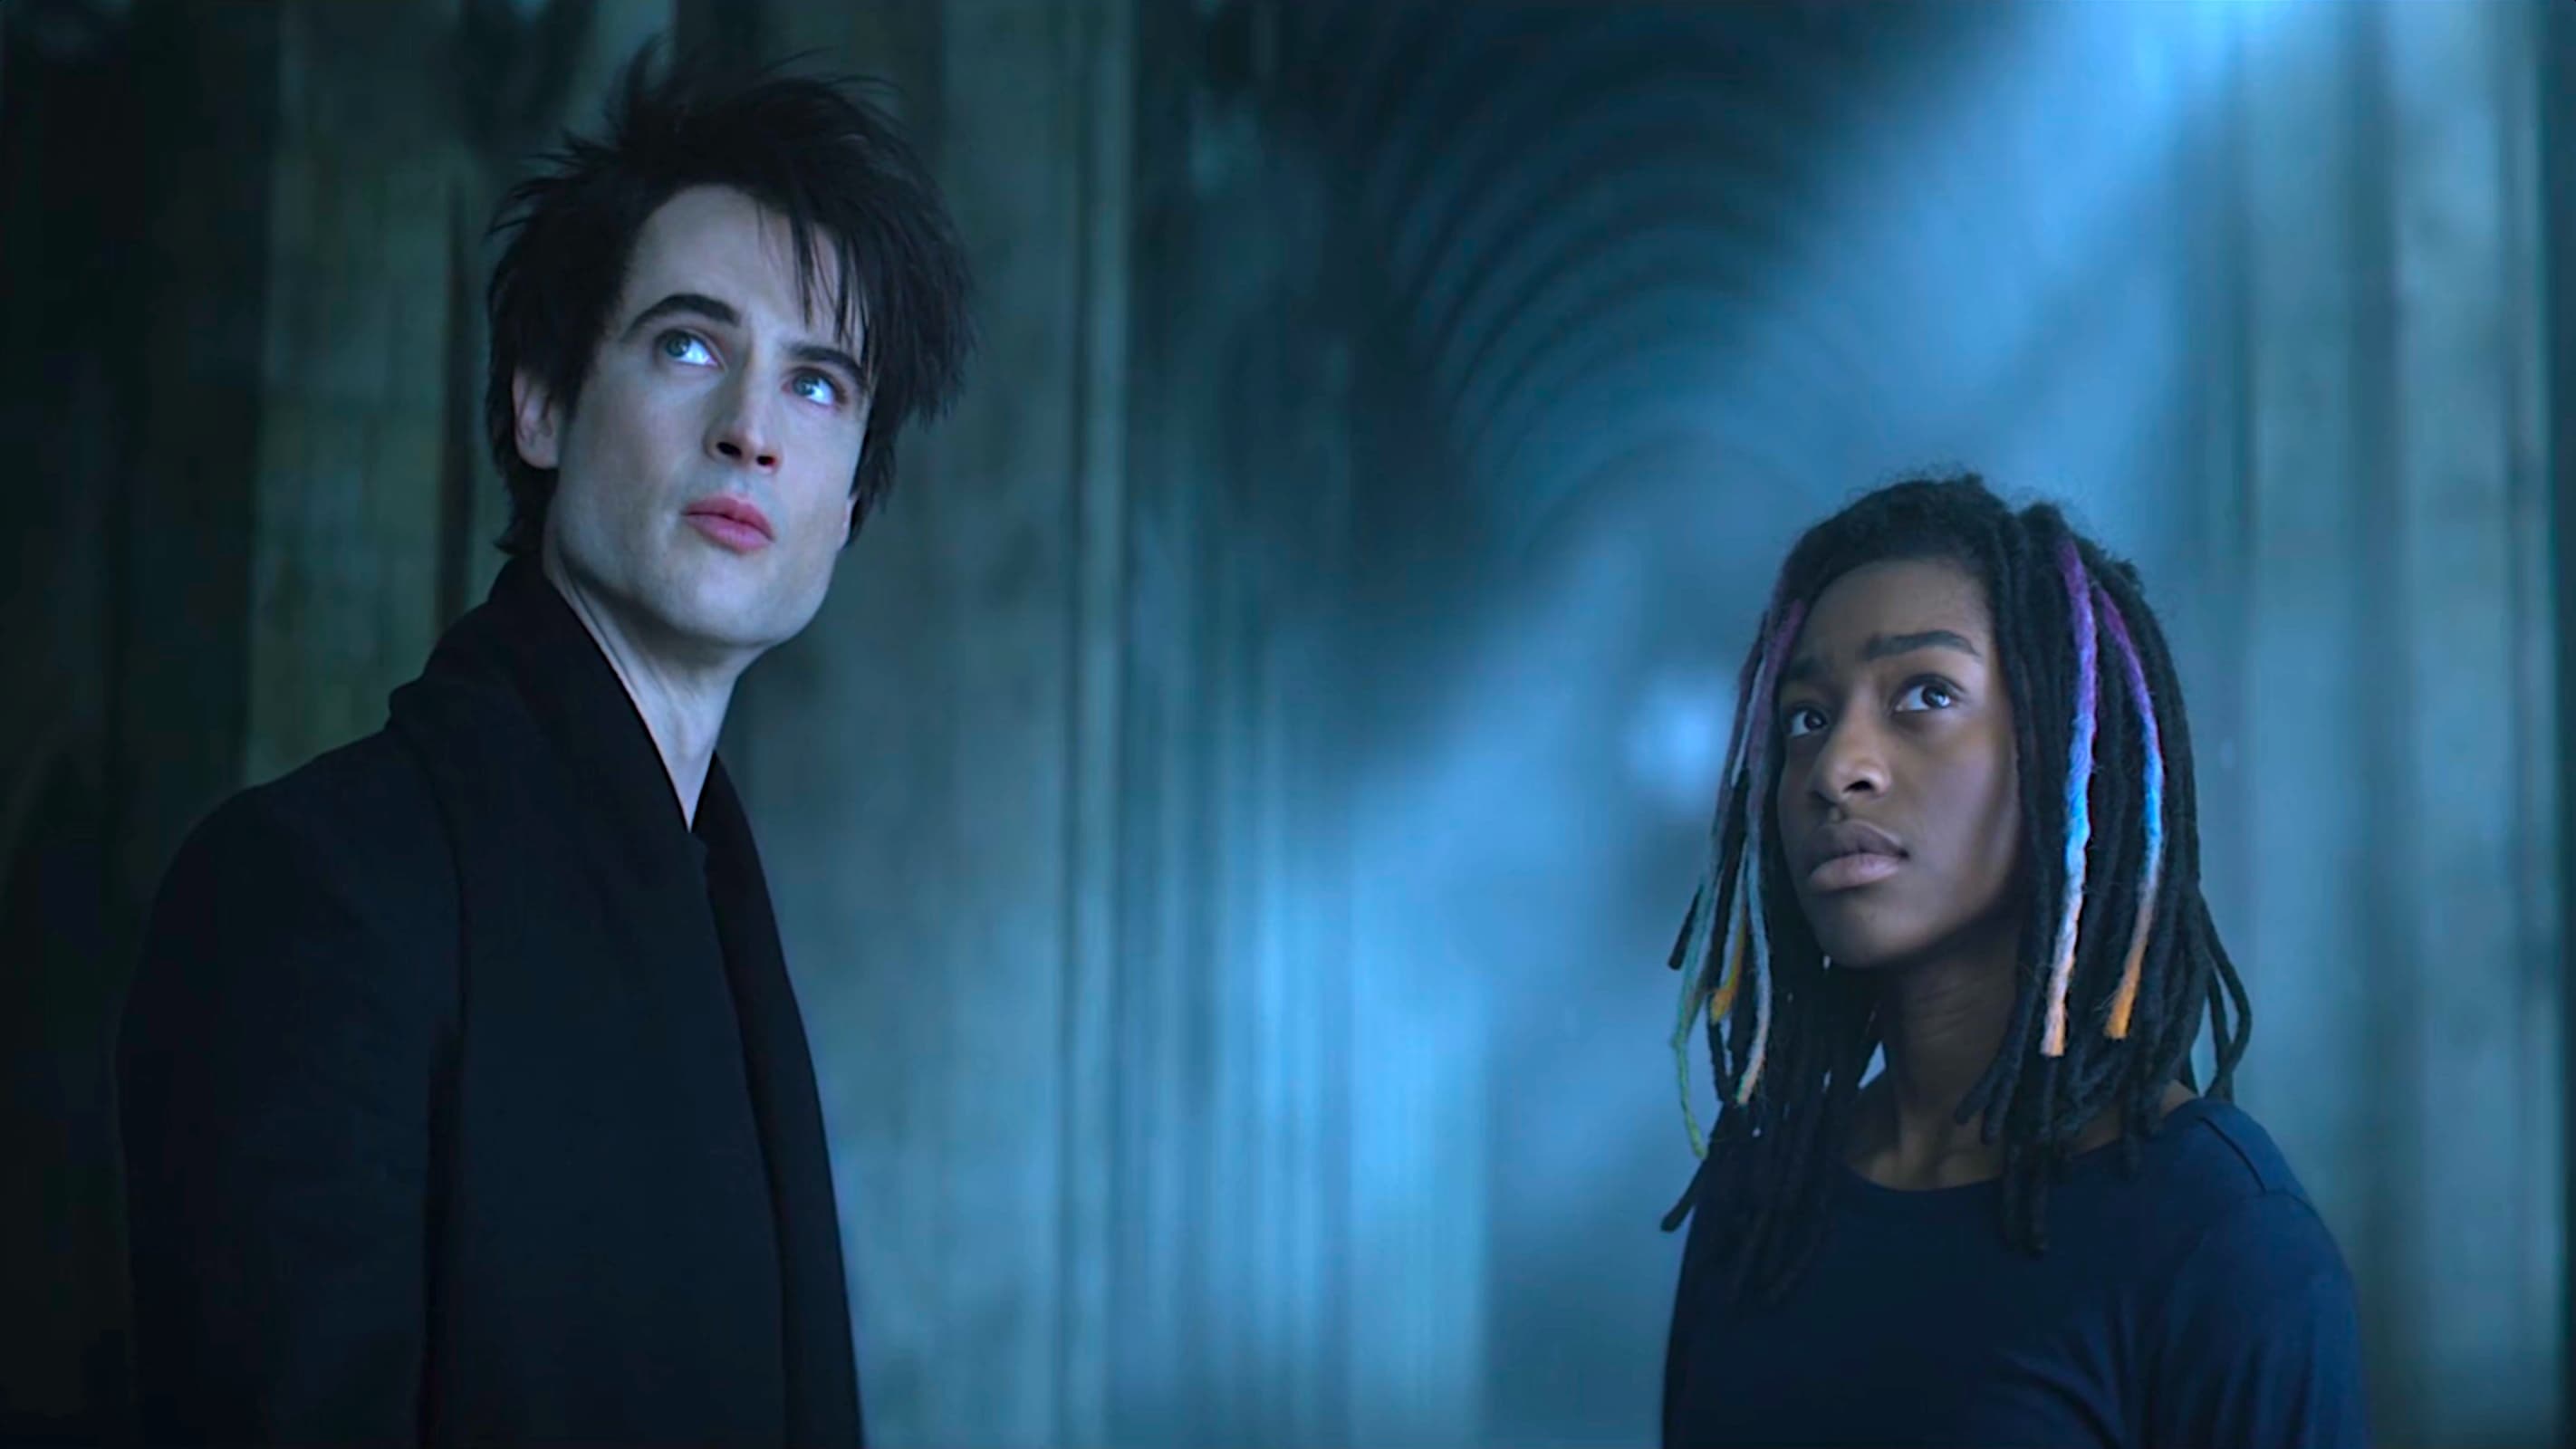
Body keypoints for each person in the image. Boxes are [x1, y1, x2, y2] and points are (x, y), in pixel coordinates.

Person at [116, 43, 970, 1447]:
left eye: (819, 384)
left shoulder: (726, 932)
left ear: (853, 502)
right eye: (689, 345)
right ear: (540, 401)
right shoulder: (313, 890)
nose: (752, 431)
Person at [1658, 476, 2368, 1447]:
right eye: (1806, 717)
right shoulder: (1758, 1201)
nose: (1836, 769)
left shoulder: (2217, 1234)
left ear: (2072, 752)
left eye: (1926, 694)